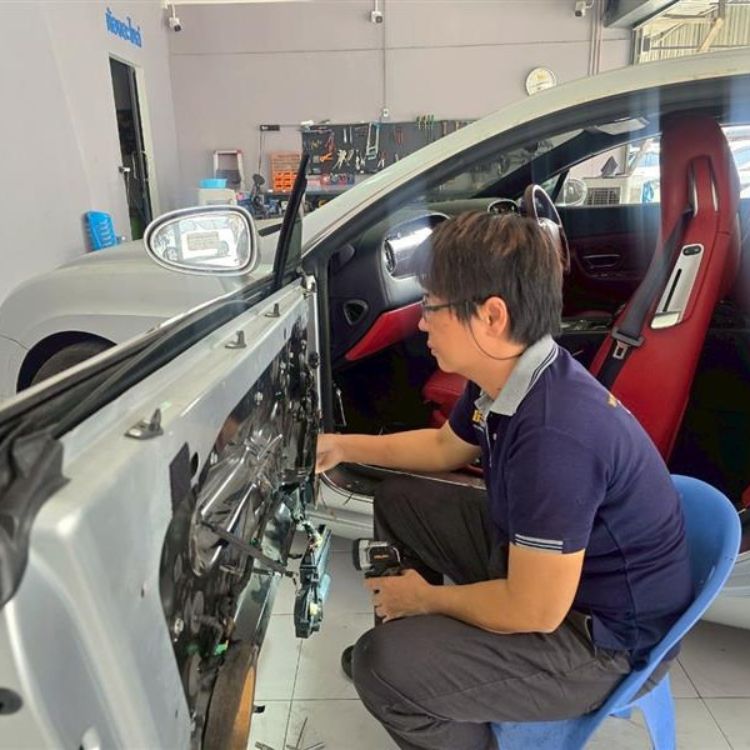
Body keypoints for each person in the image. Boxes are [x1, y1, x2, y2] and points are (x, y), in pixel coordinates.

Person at [315, 211, 693, 750]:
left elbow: (534, 610)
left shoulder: (555, 435)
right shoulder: (508, 374)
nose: (421, 323)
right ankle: (422, 659)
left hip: (602, 640)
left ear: (491, 316)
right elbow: (445, 447)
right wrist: (342, 445)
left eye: (430, 306)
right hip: (556, 580)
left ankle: (418, 682)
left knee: (380, 667)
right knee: (401, 500)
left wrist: (428, 599)